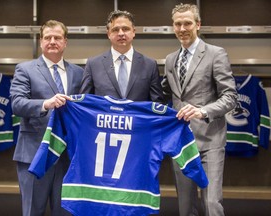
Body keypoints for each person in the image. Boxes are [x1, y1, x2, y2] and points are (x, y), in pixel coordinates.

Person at [161, 3, 237, 216]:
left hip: (210, 140)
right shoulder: (170, 60)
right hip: (181, 142)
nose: (182, 28)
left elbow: (230, 97)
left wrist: (202, 111)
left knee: (212, 203)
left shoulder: (216, 54)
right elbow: (168, 94)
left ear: (198, 25)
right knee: (185, 207)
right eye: (177, 24)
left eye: (187, 23)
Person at [10, 20, 84, 216]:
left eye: (57, 37)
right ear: (41, 41)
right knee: (33, 210)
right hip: (34, 155)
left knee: (66, 212)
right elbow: (16, 104)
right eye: (48, 37)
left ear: (65, 42)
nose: (52, 41)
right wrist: (45, 104)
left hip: (68, 157)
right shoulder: (25, 69)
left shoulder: (79, 73)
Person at [79, 10, 163, 102]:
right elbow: (85, 101)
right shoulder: (93, 65)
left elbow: (157, 103)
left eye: (125, 29)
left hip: (137, 116)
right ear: (108, 34)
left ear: (133, 32)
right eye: (115, 30)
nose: (121, 33)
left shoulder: (150, 65)